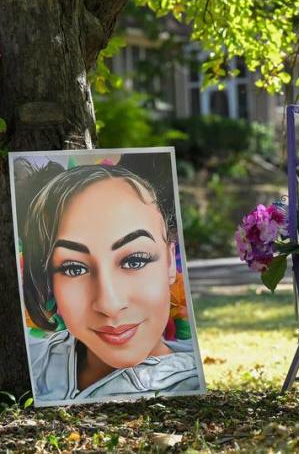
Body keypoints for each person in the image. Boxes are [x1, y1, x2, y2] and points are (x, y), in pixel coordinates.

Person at [20, 163, 200, 403]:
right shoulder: (30, 365)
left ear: (169, 261)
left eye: (134, 261)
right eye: (74, 268)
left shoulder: (189, 382)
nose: (109, 304)